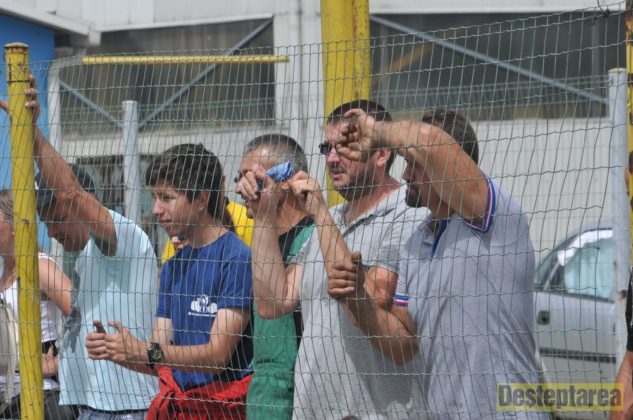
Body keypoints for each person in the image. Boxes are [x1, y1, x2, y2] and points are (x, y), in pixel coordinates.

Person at [330, 108, 544, 417]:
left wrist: (377, 132)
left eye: (415, 164)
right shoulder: (416, 243)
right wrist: (359, 301)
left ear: (449, 165)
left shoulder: (491, 216)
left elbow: (431, 140)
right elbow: (404, 345)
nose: (405, 175)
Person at [237, 100, 428, 418]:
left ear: (381, 154)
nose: (332, 159)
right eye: (327, 148)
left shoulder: (407, 213)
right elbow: (273, 303)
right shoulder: (327, 222)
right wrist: (264, 214)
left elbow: (371, 300)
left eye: (345, 147)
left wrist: (321, 214)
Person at [1, 78, 159, 418]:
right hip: (90, 407)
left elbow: (70, 193)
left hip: (125, 409)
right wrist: (55, 361)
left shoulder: (120, 238)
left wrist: (32, 133)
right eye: (46, 222)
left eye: (59, 218)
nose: (53, 231)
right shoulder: (85, 259)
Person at [86, 143, 254, 419]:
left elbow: (216, 357)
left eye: (166, 197)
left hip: (221, 411)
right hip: (181, 409)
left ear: (201, 200)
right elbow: (160, 358)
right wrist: (119, 351)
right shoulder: (173, 267)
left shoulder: (236, 259)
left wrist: (143, 351)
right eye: (154, 197)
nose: (155, 209)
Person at [237, 134, 314, 419]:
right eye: (240, 178)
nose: (242, 188)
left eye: (252, 177)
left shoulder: (313, 240)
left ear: (285, 180)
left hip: (301, 401)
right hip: (262, 403)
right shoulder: (262, 244)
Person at [0, 190, 78, 420]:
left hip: (39, 398)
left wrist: (61, 362)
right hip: (7, 402)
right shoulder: (2, 275)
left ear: (14, 224)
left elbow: (84, 315)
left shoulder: (39, 267)